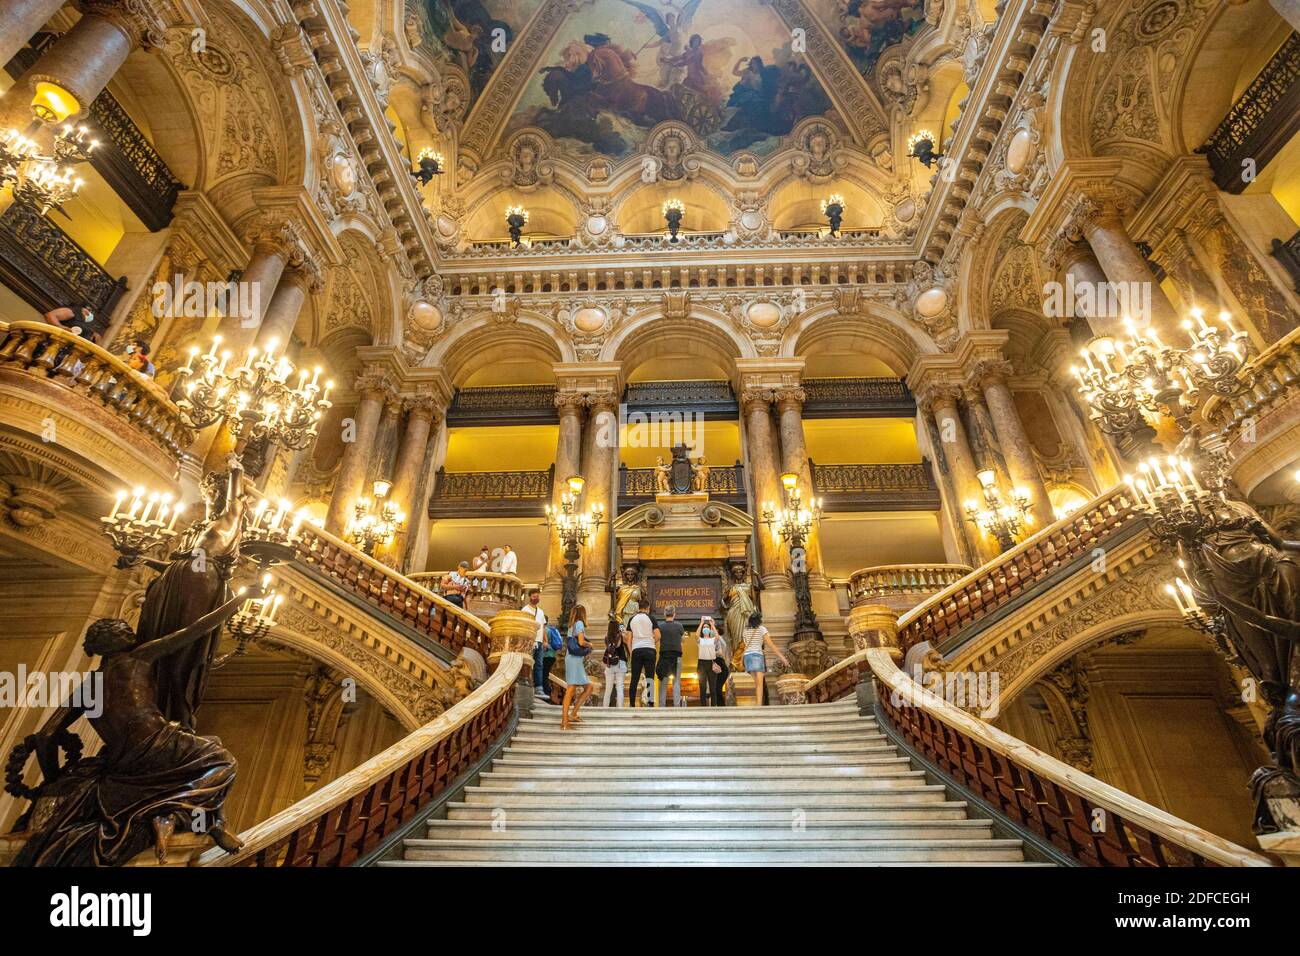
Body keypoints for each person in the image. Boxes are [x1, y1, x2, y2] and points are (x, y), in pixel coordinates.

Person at [742, 610, 789, 706]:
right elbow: (771, 645)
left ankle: (758, 704)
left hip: (747, 656)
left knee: (756, 684)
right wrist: (783, 658)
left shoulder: (745, 630)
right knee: (760, 684)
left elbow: (746, 643)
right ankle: (759, 706)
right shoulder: (762, 629)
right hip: (757, 656)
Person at [561, 604, 593, 729]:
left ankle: (573, 714)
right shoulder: (579, 623)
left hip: (573, 658)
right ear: (582, 614)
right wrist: (590, 644)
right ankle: (564, 721)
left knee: (589, 687)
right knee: (571, 690)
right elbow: (581, 642)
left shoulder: (572, 624)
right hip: (574, 659)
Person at [626, 599, 658, 708]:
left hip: (636, 650)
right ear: (648, 608)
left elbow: (628, 639)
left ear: (638, 607)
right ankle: (650, 703)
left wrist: (631, 651)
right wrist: (651, 642)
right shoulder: (651, 618)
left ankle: (631, 704)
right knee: (650, 677)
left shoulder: (632, 619)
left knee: (634, 678)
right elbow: (658, 635)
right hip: (649, 649)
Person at [655, 604, 685, 707]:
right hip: (677, 656)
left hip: (664, 656)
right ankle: (676, 706)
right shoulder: (679, 626)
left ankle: (662, 706)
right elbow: (682, 639)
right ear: (674, 614)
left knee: (663, 681)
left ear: (664, 614)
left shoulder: (660, 626)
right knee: (676, 681)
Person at [523, 588, 549, 702]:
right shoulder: (525, 610)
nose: (536, 598)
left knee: (539, 665)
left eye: (537, 596)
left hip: (539, 641)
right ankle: (527, 685)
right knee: (528, 664)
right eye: (534, 596)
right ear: (530, 597)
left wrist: (545, 640)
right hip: (530, 641)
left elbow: (543, 627)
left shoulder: (541, 611)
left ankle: (539, 688)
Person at [696, 614, 722, 706]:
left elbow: (717, 637)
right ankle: (703, 706)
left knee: (712, 686)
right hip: (702, 663)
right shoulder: (700, 640)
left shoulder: (712, 639)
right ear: (702, 630)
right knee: (702, 686)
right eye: (704, 627)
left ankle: (714, 705)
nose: (705, 628)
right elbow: (696, 634)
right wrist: (701, 623)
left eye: (707, 627)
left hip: (711, 663)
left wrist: (712, 625)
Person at [602, 618, 628, 707]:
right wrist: (623, 631)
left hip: (610, 664)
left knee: (608, 689)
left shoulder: (606, 638)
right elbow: (627, 641)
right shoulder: (621, 636)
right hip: (620, 663)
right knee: (620, 687)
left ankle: (605, 709)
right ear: (618, 627)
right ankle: (620, 709)